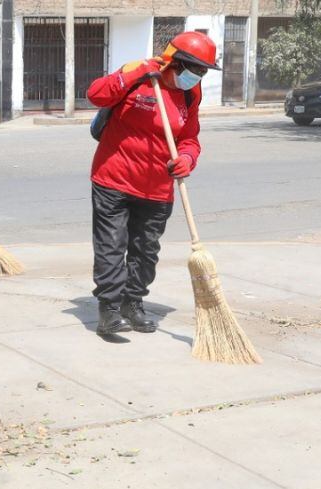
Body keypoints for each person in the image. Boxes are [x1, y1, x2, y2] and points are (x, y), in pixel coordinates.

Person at [86, 31, 218, 336]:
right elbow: (96, 94)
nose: (198, 76)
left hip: (158, 188)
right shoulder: (140, 77)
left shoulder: (191, 94)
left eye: (203, 71)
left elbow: (190, 139)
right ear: (176, 63)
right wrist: (130, 73)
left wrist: (187, 158)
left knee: (145, 251)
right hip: (113, 179)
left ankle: (132, 304)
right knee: (111, 247)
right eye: (194, 69)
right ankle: (109, 309)